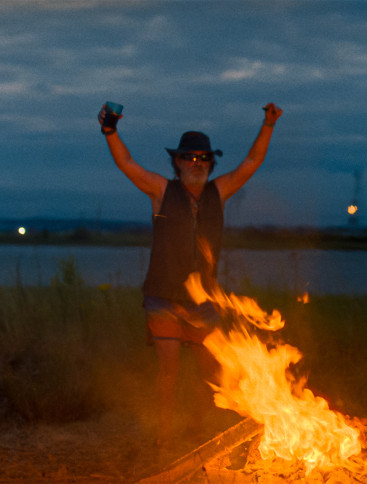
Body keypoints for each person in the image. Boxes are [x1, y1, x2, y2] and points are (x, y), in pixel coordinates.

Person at [98, 102, 283, 452]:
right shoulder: (161, 190)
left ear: (211, 163)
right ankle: (164, 433)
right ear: (178, 162)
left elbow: (252, 161)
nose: (196, 163)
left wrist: (268, 124)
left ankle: (196, 429)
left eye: (203, 158)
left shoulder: (219, 191)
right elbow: (126, 163)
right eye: (189, 158)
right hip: (163, 296)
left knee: (208, 372)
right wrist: (110, 131)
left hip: (204, 300)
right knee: (168, 371)